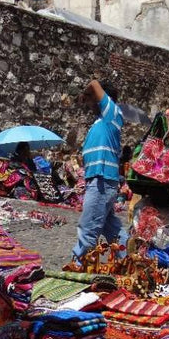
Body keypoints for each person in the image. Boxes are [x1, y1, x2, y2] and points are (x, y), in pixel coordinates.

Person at [72, 79, 129, 260]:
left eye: (91, 99)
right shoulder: (100, 122)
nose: (89, 104)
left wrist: (84, 93)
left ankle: (80, 264)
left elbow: (94, 83)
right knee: (111, 227)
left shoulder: (111, 113)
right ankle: (129, 257)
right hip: (99, 180)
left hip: (101, 180)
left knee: (88, 226)